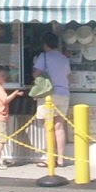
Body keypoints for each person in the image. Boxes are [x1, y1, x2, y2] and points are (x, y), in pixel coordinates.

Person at [32, 31, 71, 165]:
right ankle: (60, 159)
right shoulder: (64, 58)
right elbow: (67, 76)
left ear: (45, 44)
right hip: (64, 94)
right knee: (59, 127)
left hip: (49, 94)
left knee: (48, 126)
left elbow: (36, 74)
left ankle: (50, 158)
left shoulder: (44, 57)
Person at [0, 65, 24, 168]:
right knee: (1, 139)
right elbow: (5, 100)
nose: (4, 77)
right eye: (2, 76)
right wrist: (15, 93)